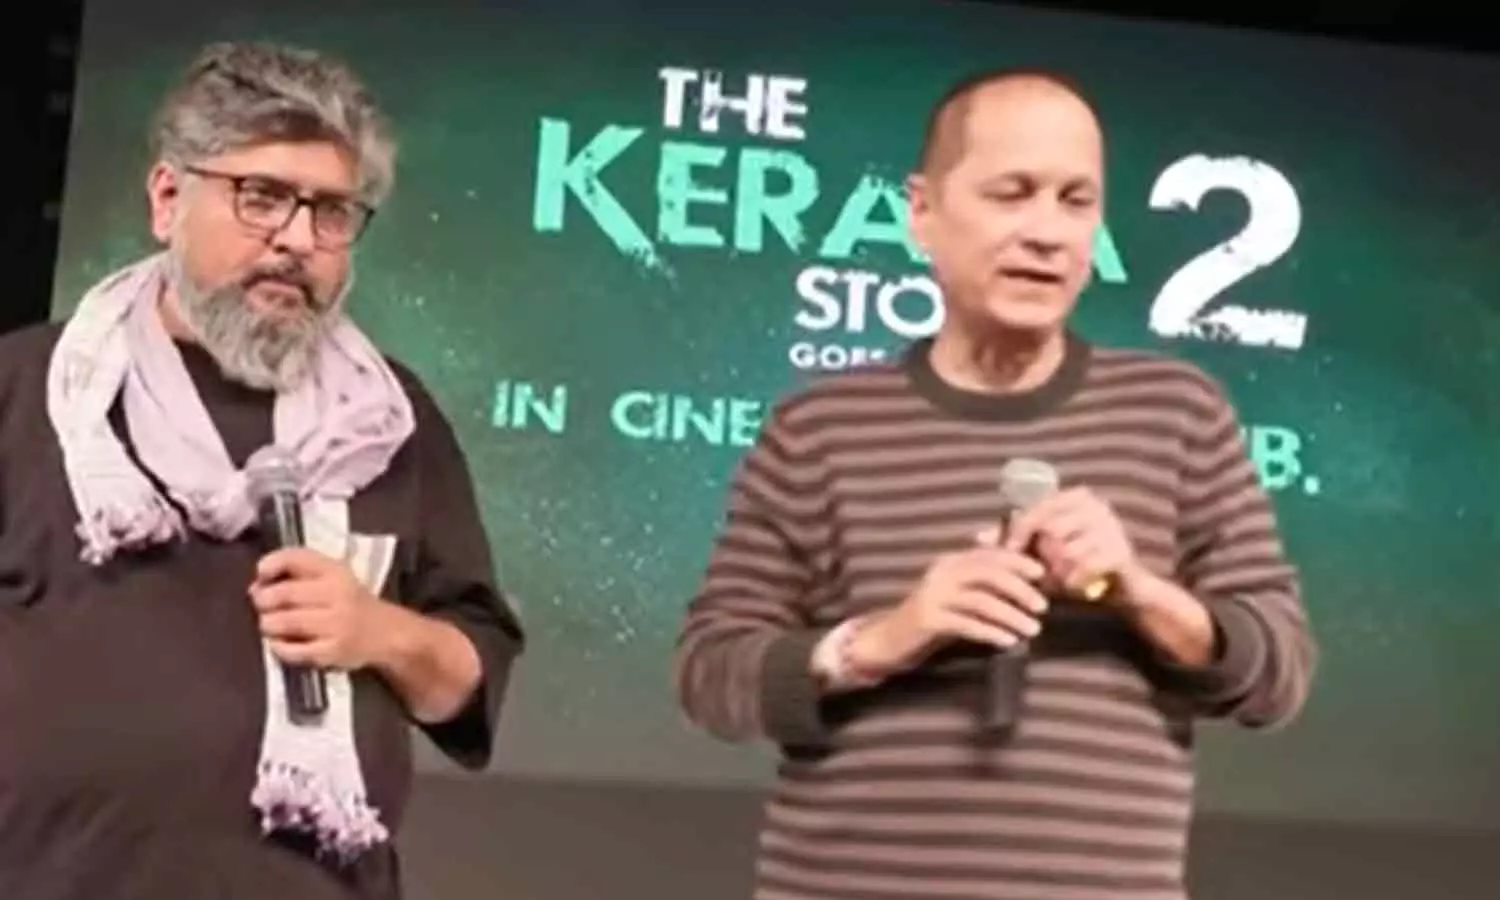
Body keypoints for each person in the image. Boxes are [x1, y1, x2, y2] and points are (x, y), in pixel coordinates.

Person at [674, 69, 1316, 900]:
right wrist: (883, 639)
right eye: (1012, 194)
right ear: (923, 211)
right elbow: (710, 673)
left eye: (1075, 201)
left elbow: (1278, 674)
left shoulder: (1178, 412)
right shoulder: (817, 427)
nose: (1046, 232)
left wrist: (1139, 592)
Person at [0, 42, 523, 899]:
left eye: (331, 212)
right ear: (167, 198)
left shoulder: (391, 421)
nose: (297, 239)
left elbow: (469, 675)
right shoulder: (27, 391)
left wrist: (378, 632)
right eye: (263, 197)